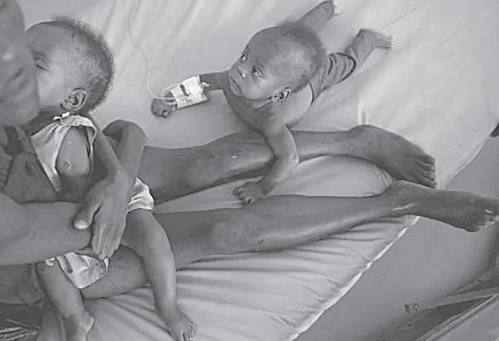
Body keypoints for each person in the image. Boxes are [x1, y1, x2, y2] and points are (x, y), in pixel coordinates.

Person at [0, 0, 497, 341]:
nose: (3, 54)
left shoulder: (20, 105)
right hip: (39, 261)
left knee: (205, 162)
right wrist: (119, 198)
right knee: (224, 234)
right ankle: (397, 203)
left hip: (75, 190)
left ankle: (352, 141)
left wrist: (118, 176)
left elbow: (124, 135)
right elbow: (85, 230)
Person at [25, 18, 195, 341]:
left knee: (152, 238)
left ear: (71, 99)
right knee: (45, 264)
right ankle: (76, 317)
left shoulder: (64, 137)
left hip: (97, 208)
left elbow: (81, 197)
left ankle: (168, 304)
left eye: (36, 64)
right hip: (61, 212)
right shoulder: (17, 113)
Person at [151, 1, 414, 205]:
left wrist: (262, 187)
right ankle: (328, 7)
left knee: (344, 65)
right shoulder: (232, 81)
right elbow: (204, 82)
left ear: (278, 95)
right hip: (288, 57)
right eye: (244, 56)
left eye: (255, 71)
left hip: (313, 82)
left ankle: (367, 39)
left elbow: (289, 157)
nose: (240, 68)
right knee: (296, 33)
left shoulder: (271, 119)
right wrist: (173, 99)